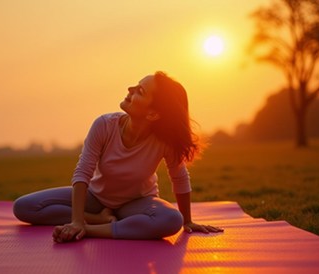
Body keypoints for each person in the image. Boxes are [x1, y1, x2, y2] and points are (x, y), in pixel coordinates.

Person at [13, 71, 223, 243]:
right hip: (96, 198)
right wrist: (76, 219)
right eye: (135, 85)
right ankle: (98, 220)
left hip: (137, 203)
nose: (130, 90)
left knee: (171, 220)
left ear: (153, 114)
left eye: (140, 91)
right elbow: (83, 172)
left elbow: (179, 177)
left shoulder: (164, 142)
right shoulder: (104, 125)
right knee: (24, 207)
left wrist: (187, 221)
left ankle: (93, 229)